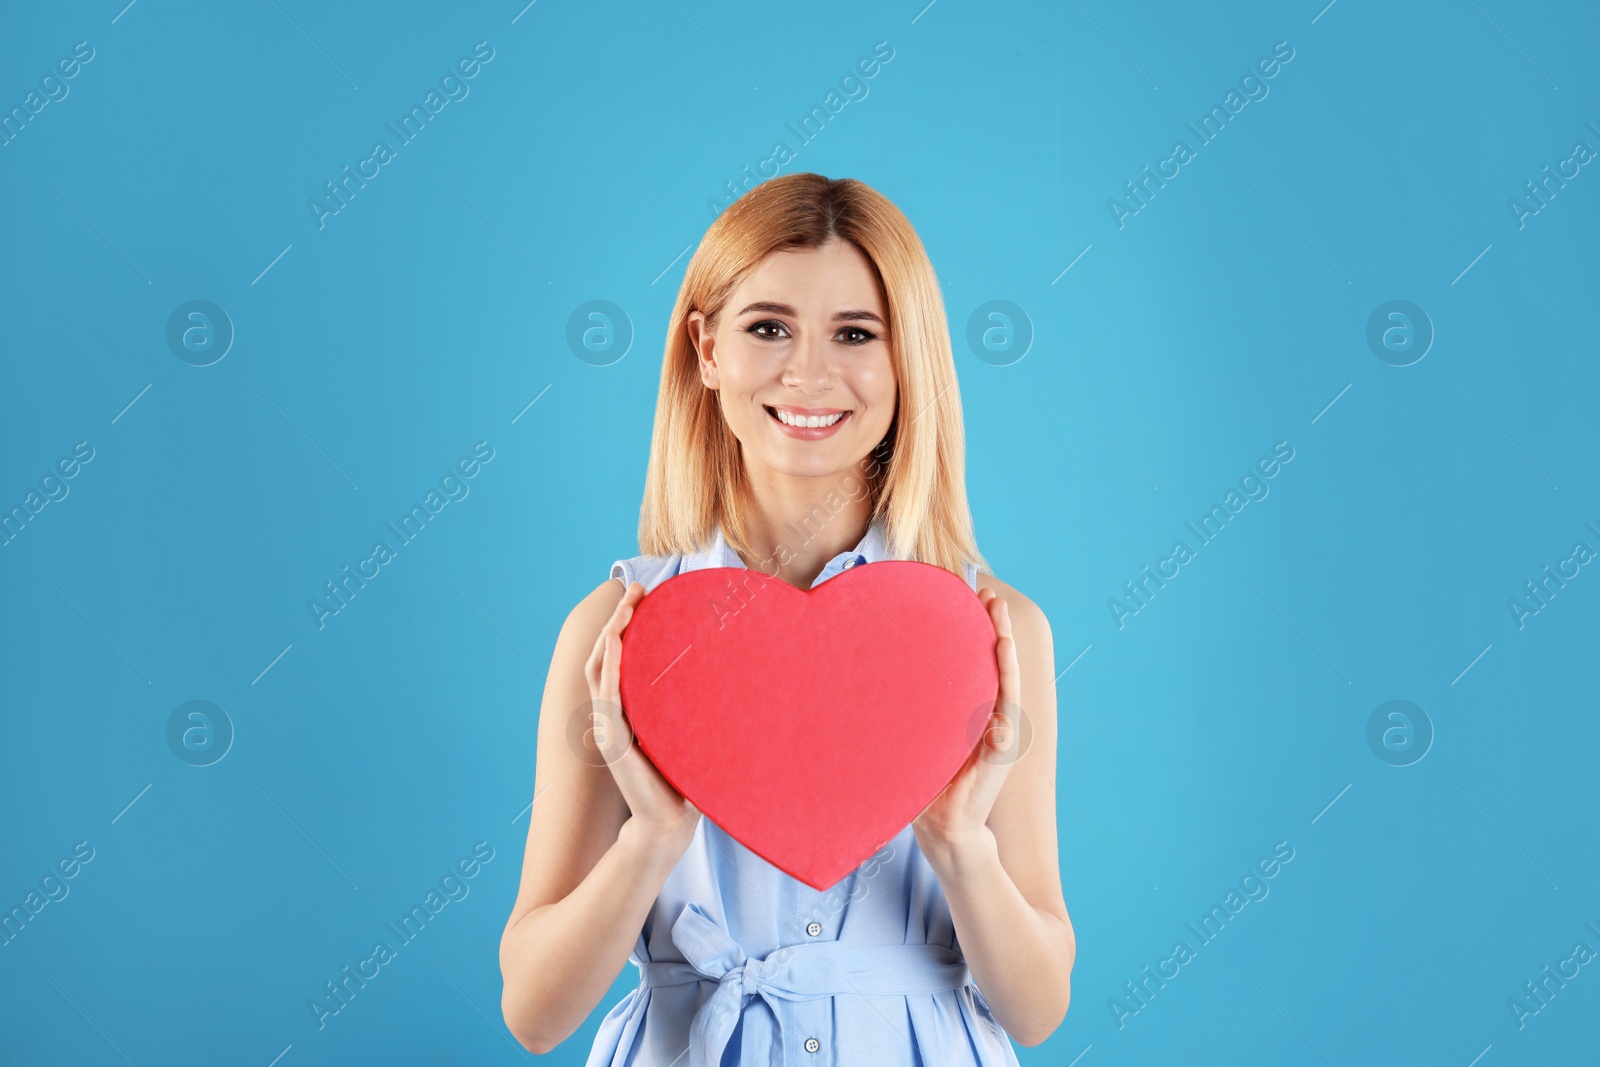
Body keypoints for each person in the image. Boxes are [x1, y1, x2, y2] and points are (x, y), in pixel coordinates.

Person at [499, 172, 1074, 1062]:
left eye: (856, 333)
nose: (809, 372)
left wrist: (958, 838)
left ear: (906, 360)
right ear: (706, 349)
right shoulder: (617, 630)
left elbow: (1037, 1011)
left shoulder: (993, 637)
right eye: (769, 327)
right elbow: (534, 1013)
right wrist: (652, 836)